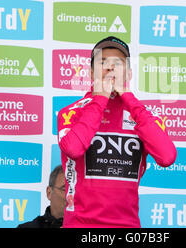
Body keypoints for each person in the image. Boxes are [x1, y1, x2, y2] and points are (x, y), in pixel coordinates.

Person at [57, 36, 177, 228]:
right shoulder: (72, 112)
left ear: (128, 74)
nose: (111, 68)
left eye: (118, 64)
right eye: (103, 62)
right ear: (90, 73)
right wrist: (100, 99)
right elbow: (73, 149)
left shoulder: (144, 117)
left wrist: (130, 101)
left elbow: (167, 157)